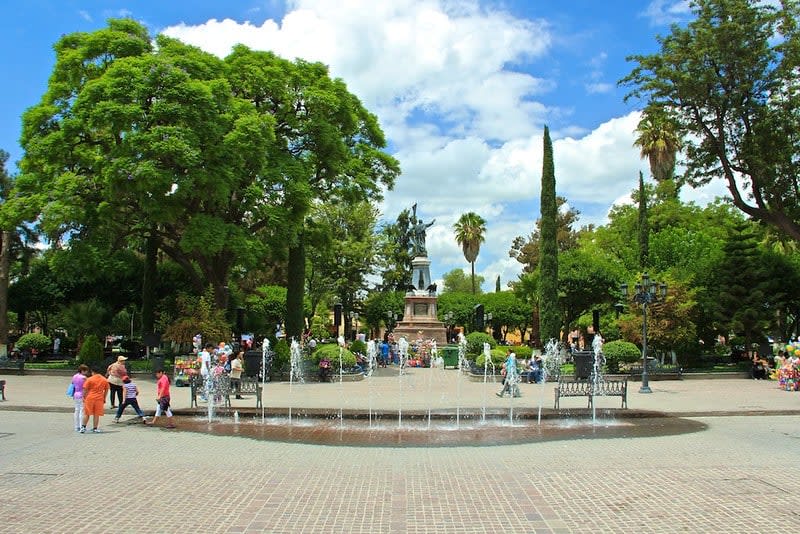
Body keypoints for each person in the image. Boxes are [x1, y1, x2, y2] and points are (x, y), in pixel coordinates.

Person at [81, 366, 109, 433]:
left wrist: (84, 397)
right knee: (96, 414)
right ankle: (95, 428)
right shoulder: (104, 379)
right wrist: (104, 398)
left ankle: (83, 427)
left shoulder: (90, 379)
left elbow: (85, 389)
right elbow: (106, 390)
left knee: (87, 413)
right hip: (99, 398)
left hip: (90, 398)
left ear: (93, 372)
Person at [70, 364, 89, 432]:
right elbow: (87, 387)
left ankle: (76, 426)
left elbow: (73, 384)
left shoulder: (74, 376)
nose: (87, 372)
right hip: (82, 395)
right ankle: (81, 426)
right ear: (82, 371)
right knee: (82, 411)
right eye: (86, 371)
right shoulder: (84, 378)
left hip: (76, 394)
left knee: (76, 410)